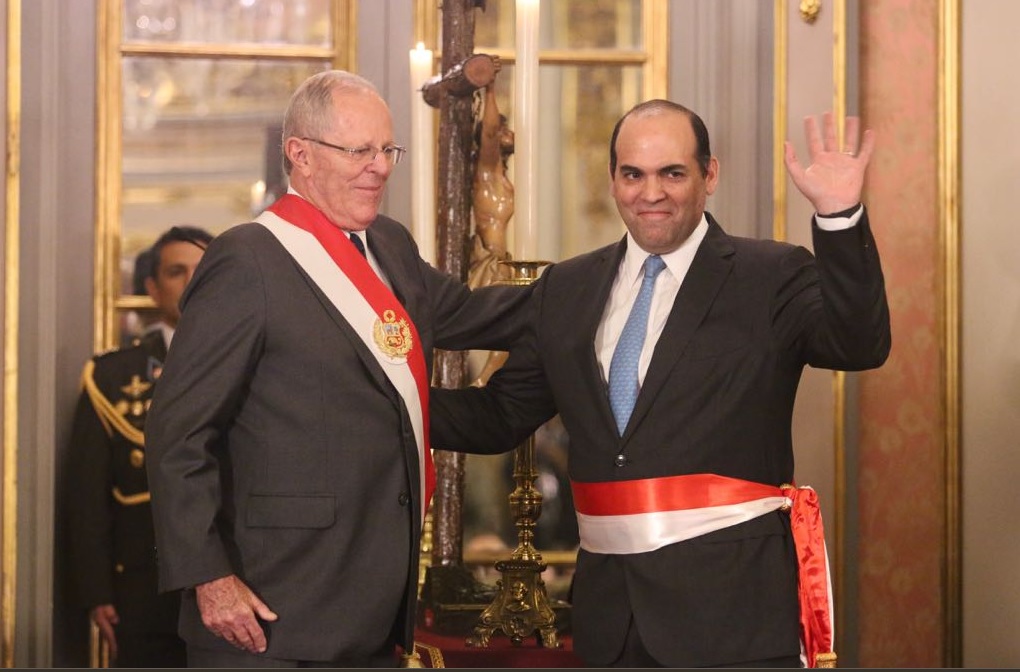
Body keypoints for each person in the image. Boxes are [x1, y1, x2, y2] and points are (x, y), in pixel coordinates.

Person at [430, 101, 891, 668]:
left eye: (672, 173)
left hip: (733, 617)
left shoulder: (770, 275)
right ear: (613, 179)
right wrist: (388, 402)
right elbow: (500, 416)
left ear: (709, 175)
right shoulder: (568, 286)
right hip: (609, 620)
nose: (651, 193)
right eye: (633, 174)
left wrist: (839, 217)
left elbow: (859, 344)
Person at [143, 69, 531, 668]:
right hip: (268, 616)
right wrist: (208, 577)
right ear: (300, 154)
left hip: (371, 614)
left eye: (387, 150)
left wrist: (606, 288)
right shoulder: (247, 259)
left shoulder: (390, 246)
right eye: (359, 151)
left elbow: (481, 315)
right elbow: (178, 433)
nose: (379, 167)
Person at [66, 225, 213, 668]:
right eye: (176, 271)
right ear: (152, 288)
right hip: (144, 589)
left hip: (250, 579)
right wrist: (97, 591)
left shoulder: (264, 362)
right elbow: (87, 494)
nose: (191, 281)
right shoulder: (112, 377)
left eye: (203, 269)